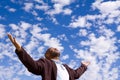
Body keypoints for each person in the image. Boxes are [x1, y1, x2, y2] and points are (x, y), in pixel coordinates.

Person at [7, 33, 90, 80]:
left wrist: (83, 66)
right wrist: (20, 49)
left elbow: (76, 74)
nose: (53, 48)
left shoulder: (65, 67)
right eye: (50, 50)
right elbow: (32, 65)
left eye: (54, 48)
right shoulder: (45, 63)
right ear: (47, 56)